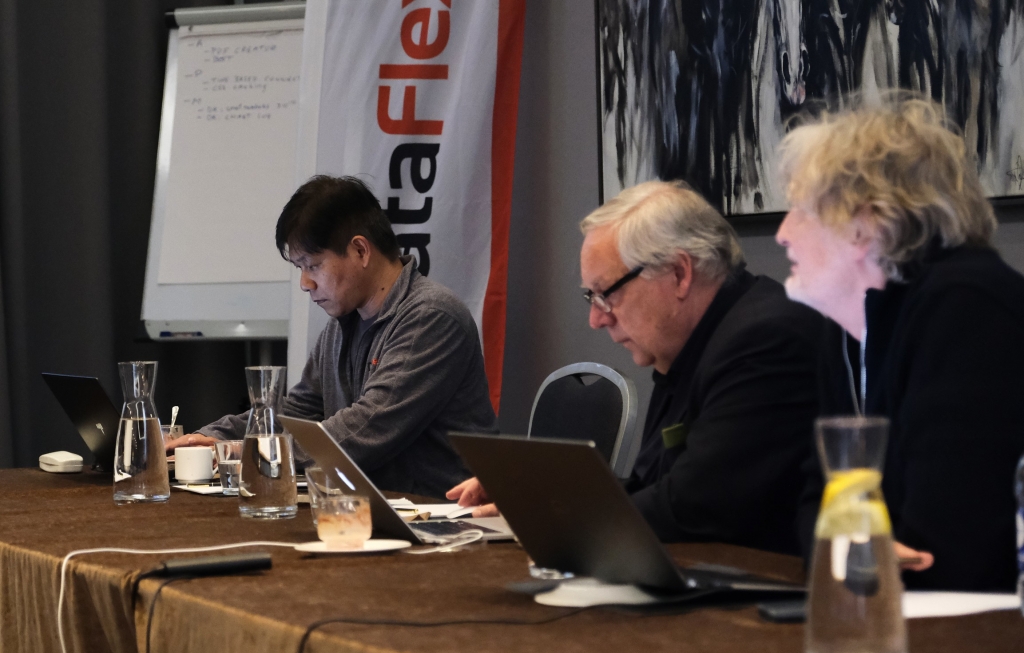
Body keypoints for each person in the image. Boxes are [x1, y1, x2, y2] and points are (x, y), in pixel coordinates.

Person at [450, 180, 824, 555]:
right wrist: (538, 495)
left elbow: (693, 506)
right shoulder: (690, 345)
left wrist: (552, 512)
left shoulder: (765, 341)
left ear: (679, 273)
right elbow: (655, 486)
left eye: (606, 294)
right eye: (591, 297)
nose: (597, 319)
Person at [775, 97, 1024, 591]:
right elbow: (815, 504)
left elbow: (948, 553)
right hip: (894, 612)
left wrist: (849, 552)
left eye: (801, 211)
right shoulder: (847, 327)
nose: (782, 234)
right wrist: (849, 549)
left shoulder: (966, 308)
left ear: (864, 224)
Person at [168, 175, 496, 498]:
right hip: (367, 513)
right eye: (300, 268)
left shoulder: (431, 317)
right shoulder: (342, 325)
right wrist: (207, 439)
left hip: (440, 516)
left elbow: (365, 430)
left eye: (312, 265)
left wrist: (246, 453)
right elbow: (296, 414)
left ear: (360, 250)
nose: (305, 284)